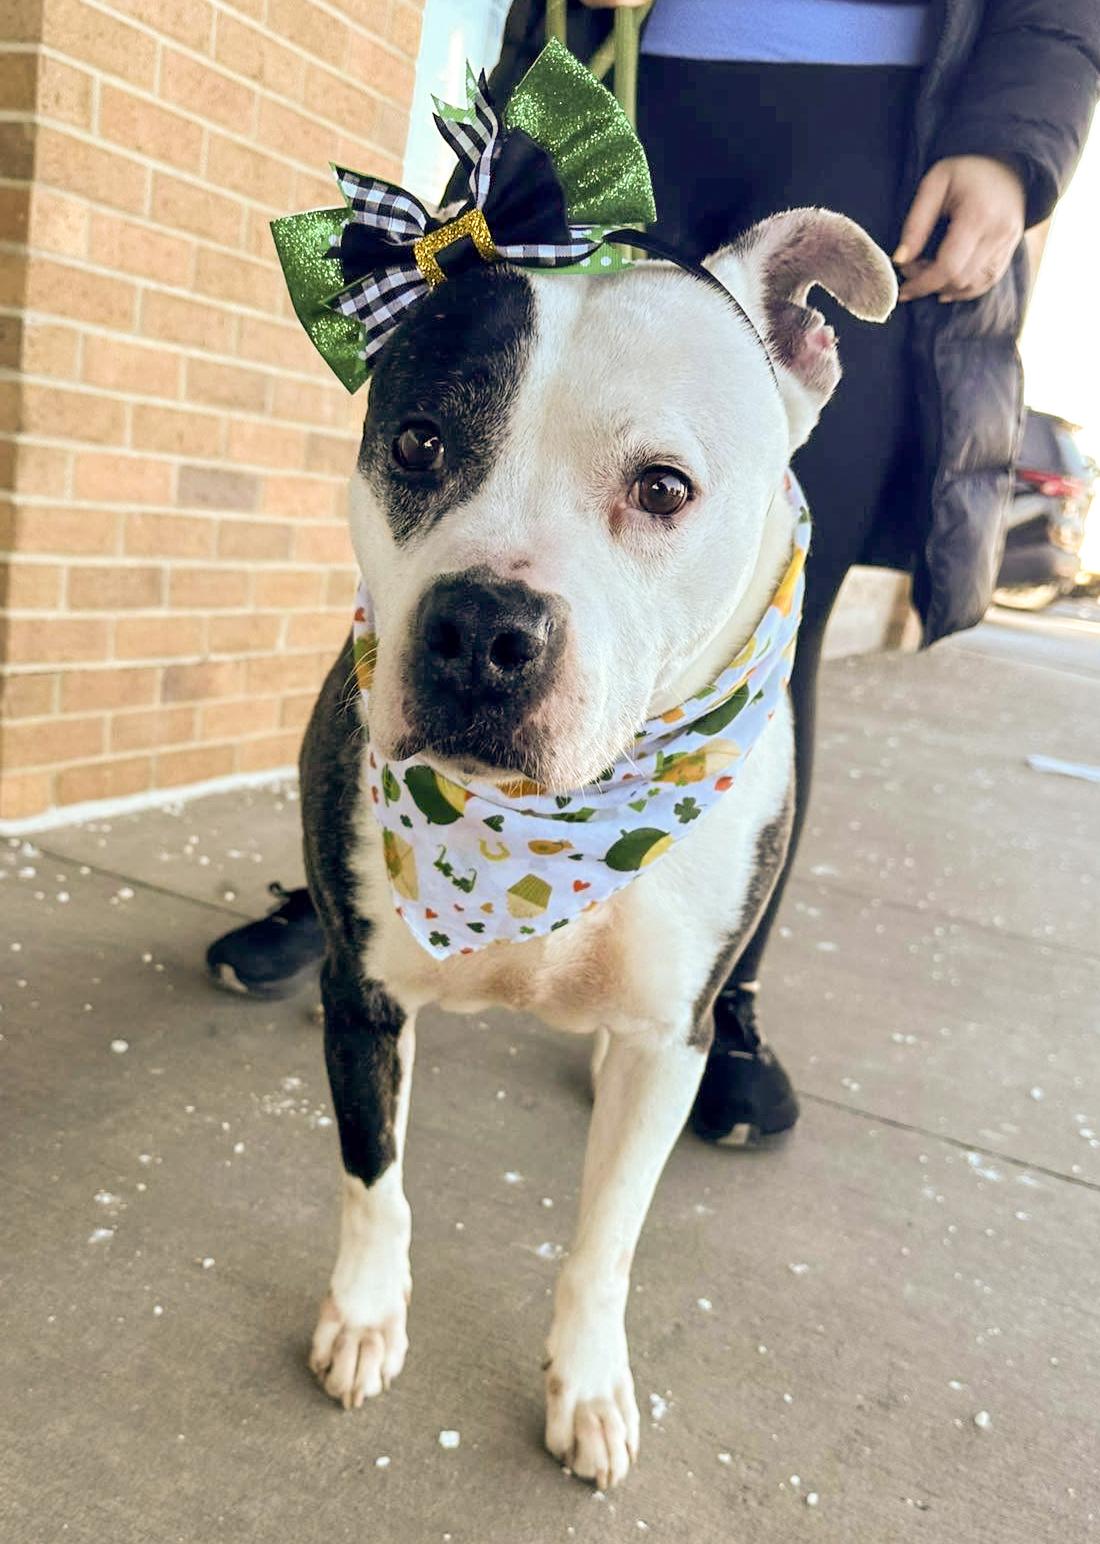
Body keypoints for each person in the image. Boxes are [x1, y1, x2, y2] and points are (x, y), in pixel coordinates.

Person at [208, 0, 1099, 1145]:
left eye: (658, 492)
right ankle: (359, 891)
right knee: (475, 507)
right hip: (622, 70)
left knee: (760, 621)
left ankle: (706, 986)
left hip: (877, 115)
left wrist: (1017, 135)